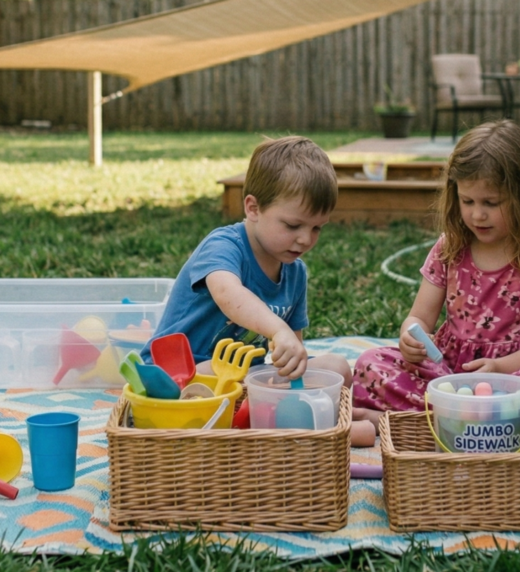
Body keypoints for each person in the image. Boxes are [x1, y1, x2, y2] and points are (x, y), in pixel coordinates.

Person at [353, 120, 520, 425]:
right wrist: (409, 338)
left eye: (491, 203)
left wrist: (499, 369)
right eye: (467, 201)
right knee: (370, 364)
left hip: (511, 378)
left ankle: (428, 420)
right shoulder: (450, 248)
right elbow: (419, 318)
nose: (476, 214)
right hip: (447, 372)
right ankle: (474, 420)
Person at [141, 136, 359, 431]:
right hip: (182, 372)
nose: (306, 239)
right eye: (293, 225)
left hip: (247, 376)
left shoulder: (295, 272)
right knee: (230, 382)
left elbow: (292, 351)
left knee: (337, 368)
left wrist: (292, 360)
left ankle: (292, 422)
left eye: (317, 227)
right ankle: (293, 424)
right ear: (253, 208)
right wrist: (277, 330)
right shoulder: (223, 246)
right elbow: (228, 294)